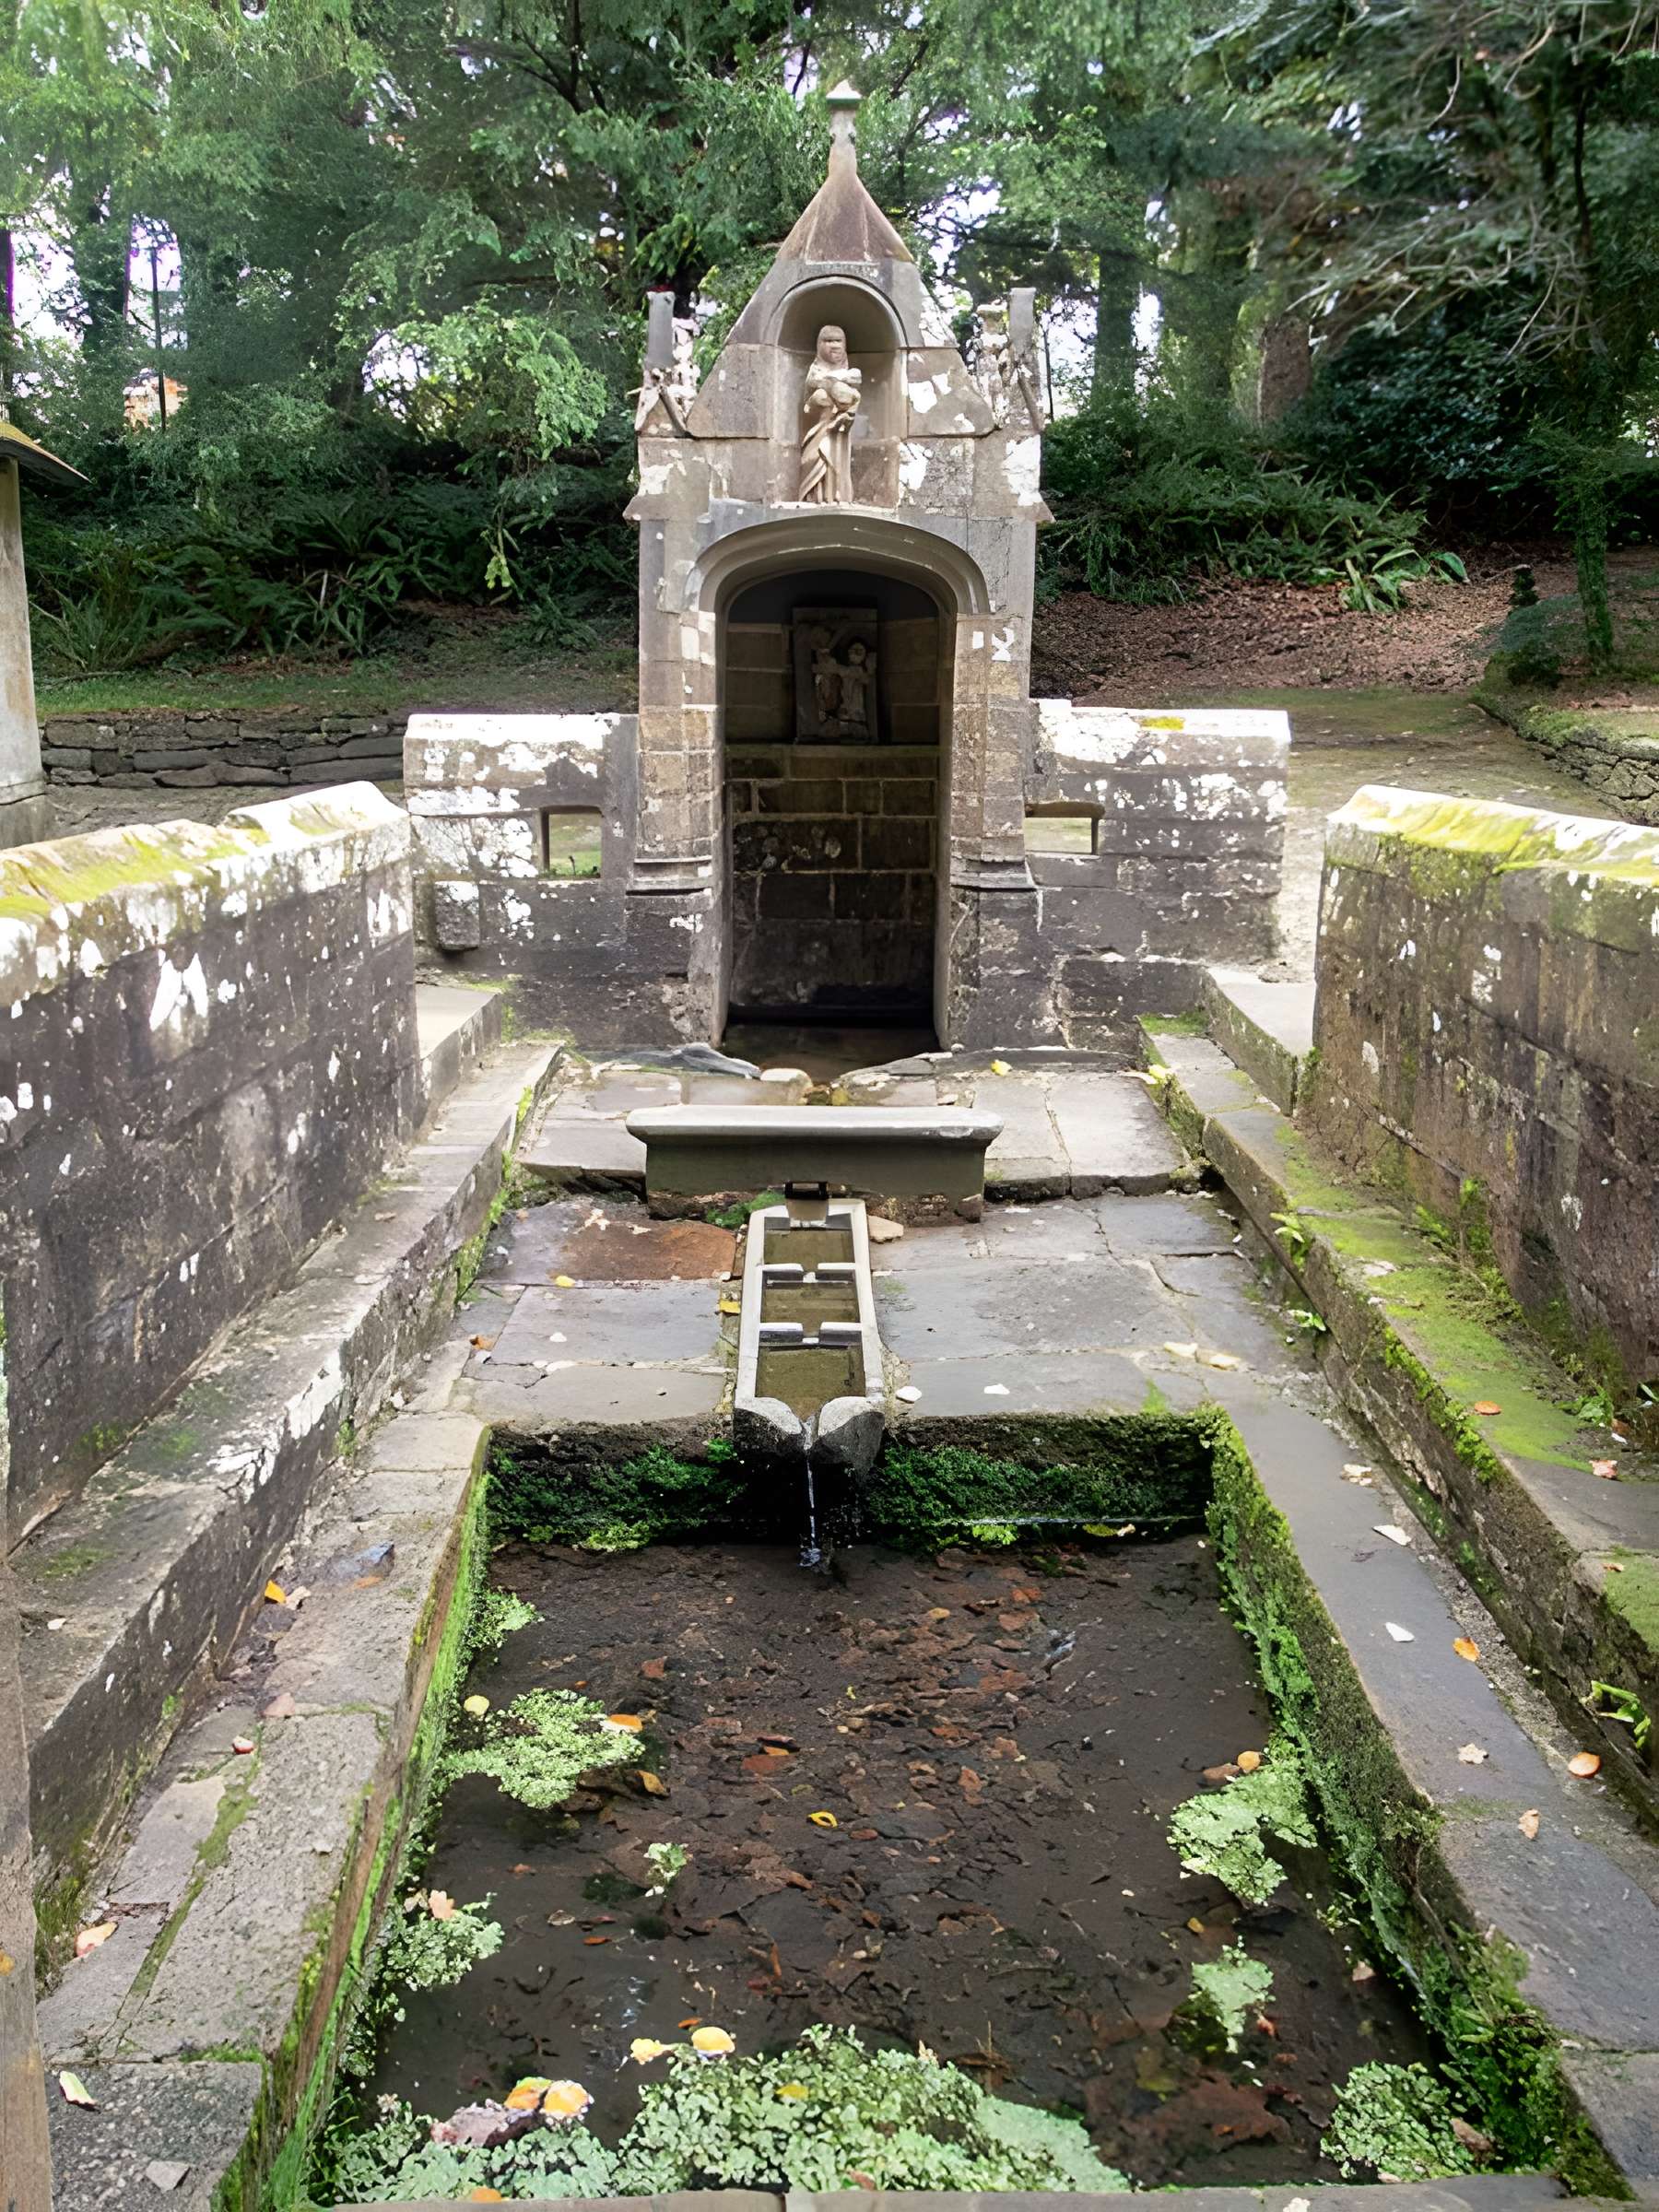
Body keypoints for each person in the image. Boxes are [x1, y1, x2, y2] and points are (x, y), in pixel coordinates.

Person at [799, 325, 862, 503]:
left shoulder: (851, 374)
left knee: (838, 465)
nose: (834, 346)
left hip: (837, 437)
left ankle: (836, 495)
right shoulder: (815, 372)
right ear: (819, 345)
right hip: (816, 433)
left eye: (838, 341)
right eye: (828, 341)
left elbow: (852, 396)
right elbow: (818, 383)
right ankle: (814, 496)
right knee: (814, 462)